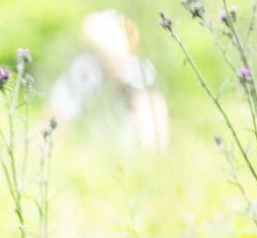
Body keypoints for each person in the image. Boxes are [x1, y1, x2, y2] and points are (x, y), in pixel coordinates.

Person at [45, 9, 170, 151]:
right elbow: (56, 117)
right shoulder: (84, 71)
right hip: (91, 151)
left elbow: (153, 124)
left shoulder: (138, 72)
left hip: (130, 153)